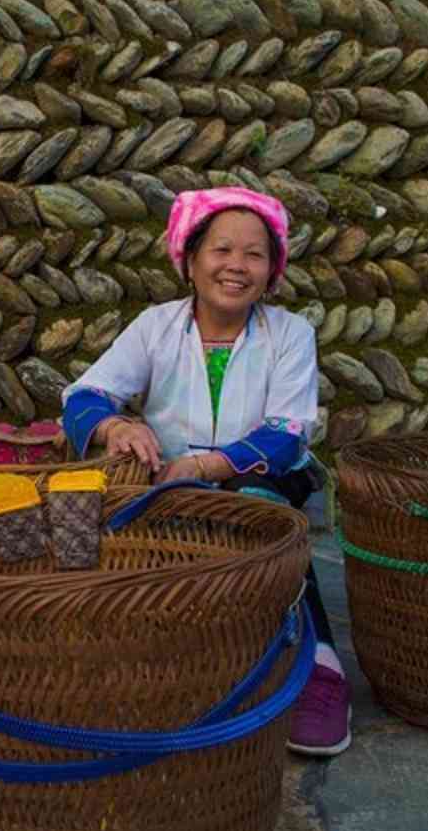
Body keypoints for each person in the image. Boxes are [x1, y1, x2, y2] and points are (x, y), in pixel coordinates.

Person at [60, 186, 351, 757]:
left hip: (263, 478)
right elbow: (85, 394)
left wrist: (203, 464)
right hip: (167, 480)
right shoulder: (155, 327)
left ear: (272, 270)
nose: (236, 267)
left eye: (254, 255)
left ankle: (318, 666)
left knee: (263, 514)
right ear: (190, 259)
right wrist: (117, 429)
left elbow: (288, 431)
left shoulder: (290, 334)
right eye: (221, 250)